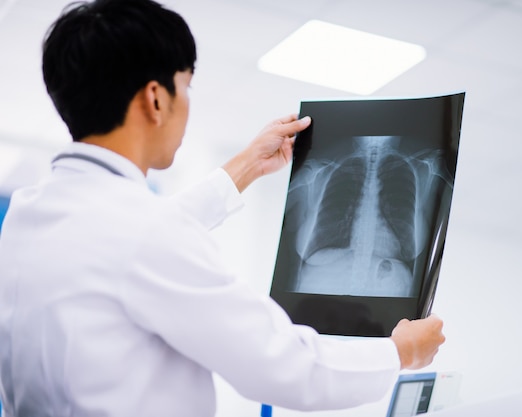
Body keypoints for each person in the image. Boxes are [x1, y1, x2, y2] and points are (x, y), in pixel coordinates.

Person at [0, 0, 445, 415]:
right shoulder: (144, 233)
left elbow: (122, 245)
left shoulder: (29, 215)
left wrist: (245, 167)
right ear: (156, 99)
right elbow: (283, 367)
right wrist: (399, 352)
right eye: (185, 86)